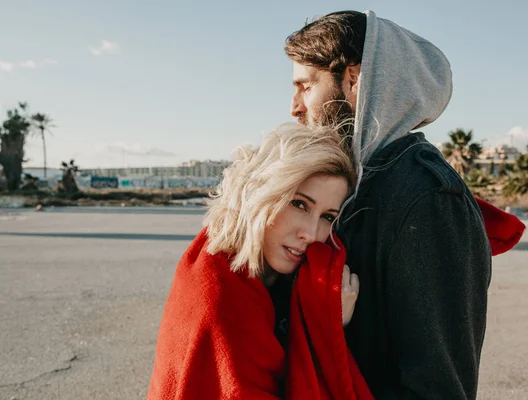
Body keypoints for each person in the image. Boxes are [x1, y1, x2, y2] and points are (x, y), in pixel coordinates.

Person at [285, 10, 493, 399]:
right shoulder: (357, 185)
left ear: (354, 78)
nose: (294, 107)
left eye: (305, 86)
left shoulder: (426, 198)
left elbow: (437, 387)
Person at [146, 122, 374, 399]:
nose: (311, 234)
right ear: (261, 193)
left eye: (327, 217)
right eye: (299, 204)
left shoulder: (272, 273)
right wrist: (329, 326)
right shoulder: (218, 295)